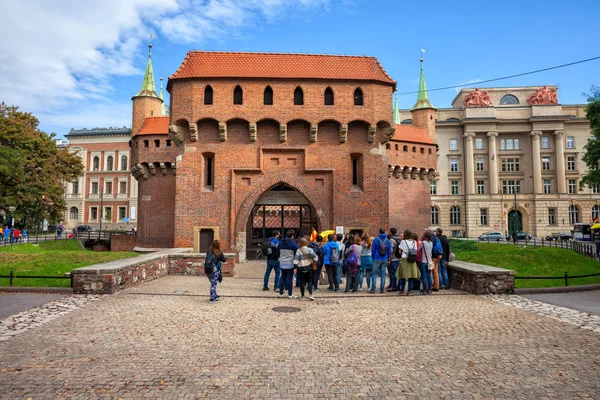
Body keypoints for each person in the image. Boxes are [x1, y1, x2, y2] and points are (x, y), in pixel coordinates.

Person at [396, 229, 420, 295]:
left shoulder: (403, 242)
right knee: (411, 276)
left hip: (404, 259)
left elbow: (400, 251)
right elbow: (415, 250)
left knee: (403, 276)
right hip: (412, 260)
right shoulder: (414, 242)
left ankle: (402, 290)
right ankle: (409, 291)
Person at [278, 230, 299, 298]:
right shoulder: (293, 244)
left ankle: (281, 293)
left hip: (282, 262)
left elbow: (277, 253)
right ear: (292, 236)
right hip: (290, 262)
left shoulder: (280, 243)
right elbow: (297, 253)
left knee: (282, 277)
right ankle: (290, 294)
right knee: (289, 278)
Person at [370, 228, 391, 293]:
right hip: (385, 258)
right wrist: (387, 257)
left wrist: (373, 257)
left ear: (379, 232)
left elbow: (373, 250)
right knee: (383, 273)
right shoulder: (387, 240)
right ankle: (382, 289)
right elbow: (389, 250)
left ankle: (373, 288)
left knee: (374, 273)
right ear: (385, 232)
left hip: (376, 257)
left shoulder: (376, 240)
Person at [387, 228, 402, 292]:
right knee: (399, 273)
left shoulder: (392, 240)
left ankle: (394, 287)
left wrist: (389, 258)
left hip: (393, 259)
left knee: (393, 274)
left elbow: (391, 250)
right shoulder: (399, 239)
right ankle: (399, 286)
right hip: (399, 258)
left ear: (391, 232)